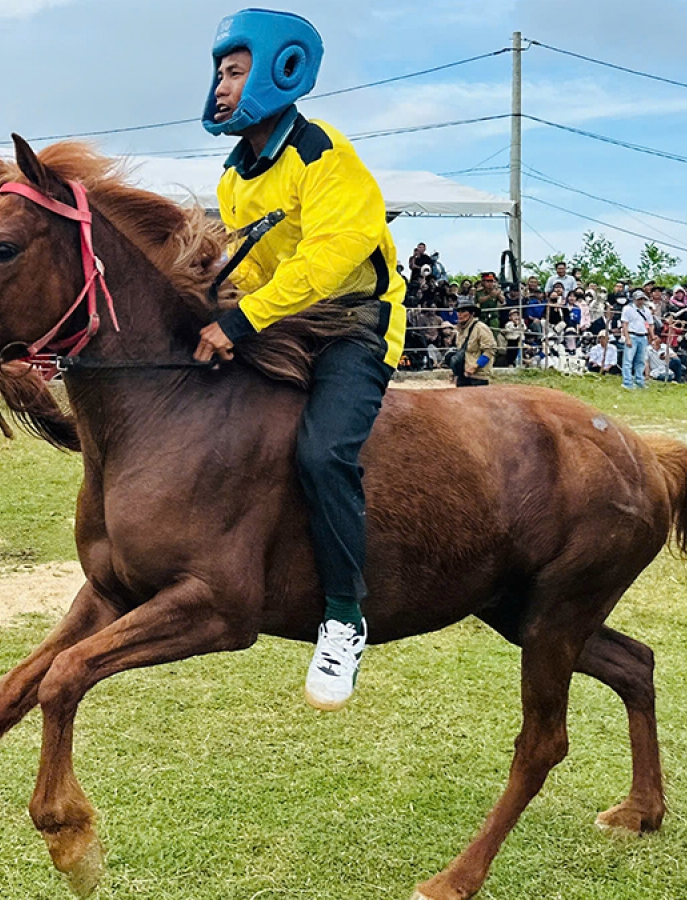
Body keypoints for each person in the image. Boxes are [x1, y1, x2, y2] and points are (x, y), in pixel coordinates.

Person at [190, 9, 406, 710]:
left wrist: (242, 320)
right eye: (219, 72)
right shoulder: (233, 175)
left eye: (234, 71)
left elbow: (326, 261)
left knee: (322, 454)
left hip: (352, 326)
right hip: (285, 320)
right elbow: (249, 269)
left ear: (283, 70)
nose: (221, 87)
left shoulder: (324, 156)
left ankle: (344, 617)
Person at [451, 297, 496, 386]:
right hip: (463, 374)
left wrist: (475, 366)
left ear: (472, 313)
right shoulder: (461, 330)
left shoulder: (480, 328)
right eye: (458, 311)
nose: (460, 314)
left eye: (463, 311)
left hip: (478, 376)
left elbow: (490, 350)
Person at [619, 289, 655, 389]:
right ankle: (627, 382)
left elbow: (650, 324)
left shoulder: (647, 311)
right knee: (628, 360)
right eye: (639, 299)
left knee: (641, 360)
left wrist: (652, 336)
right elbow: (625, 324)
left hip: (643, 336)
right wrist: (627, 338)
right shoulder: (627, 309)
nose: (641, 301)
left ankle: (639, 380)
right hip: (632, 335)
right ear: (634, 299)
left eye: (643, 299)